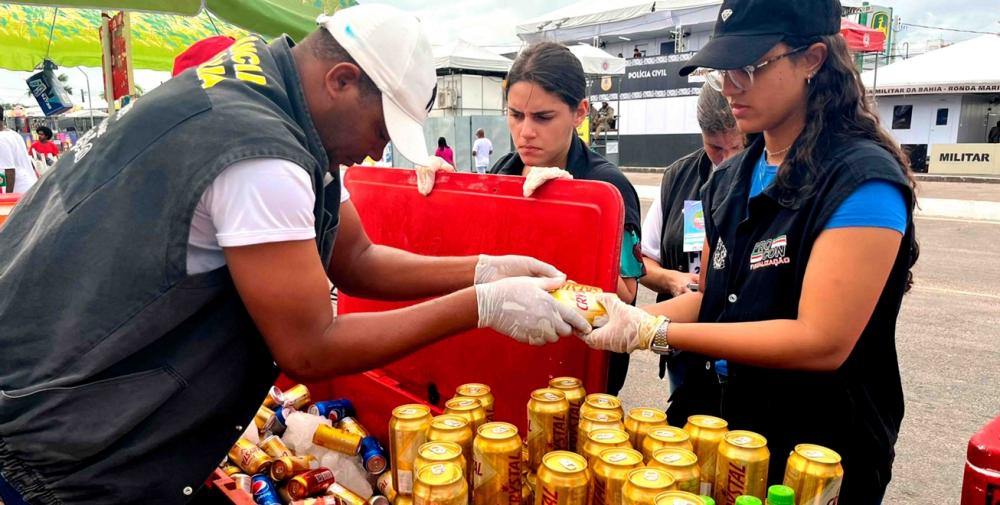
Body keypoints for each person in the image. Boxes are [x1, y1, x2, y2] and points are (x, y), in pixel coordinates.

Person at [0, 6, 589, 504]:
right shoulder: (260, 153)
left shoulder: (267, 96)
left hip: (58, 400)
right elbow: (310, 347)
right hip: (61, 444)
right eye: (383, 125)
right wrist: (480, 305)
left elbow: (354, 257)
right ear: (340, 81)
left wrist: (484, 267)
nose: (378, 147)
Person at [584, 0, 918, 502]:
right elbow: (718, 298)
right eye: (723, 71)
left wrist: (659, 331)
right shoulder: (730, 179)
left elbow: (821, 339)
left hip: (815, 448)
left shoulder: (860, 182)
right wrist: (610, 315)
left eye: (750, 67)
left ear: (814, 59)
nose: (730, 85)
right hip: (723, 423)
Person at [490, 42, 645, 396]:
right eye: (515, 115)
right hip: (510, 360)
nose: (525, 131)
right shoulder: (504, 170)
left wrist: (571, 215)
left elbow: (627, 294)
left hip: (578, 376)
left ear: (580, 113)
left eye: (543, 117)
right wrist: (441, 194)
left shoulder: (607, 188)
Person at [639, 84, 743, 391]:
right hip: (685, 351)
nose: (726, 160)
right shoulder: (679, 176)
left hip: (746, 353)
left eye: (738, 147)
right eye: (715, 148)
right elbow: (642, 260)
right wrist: (673, 280)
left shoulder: (766, 175)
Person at [0, 109, 37, 194]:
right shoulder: (13, 134)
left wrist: (8, 198)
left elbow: (10, 171)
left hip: (19, 191)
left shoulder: (1, 139)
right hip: (29, 186)